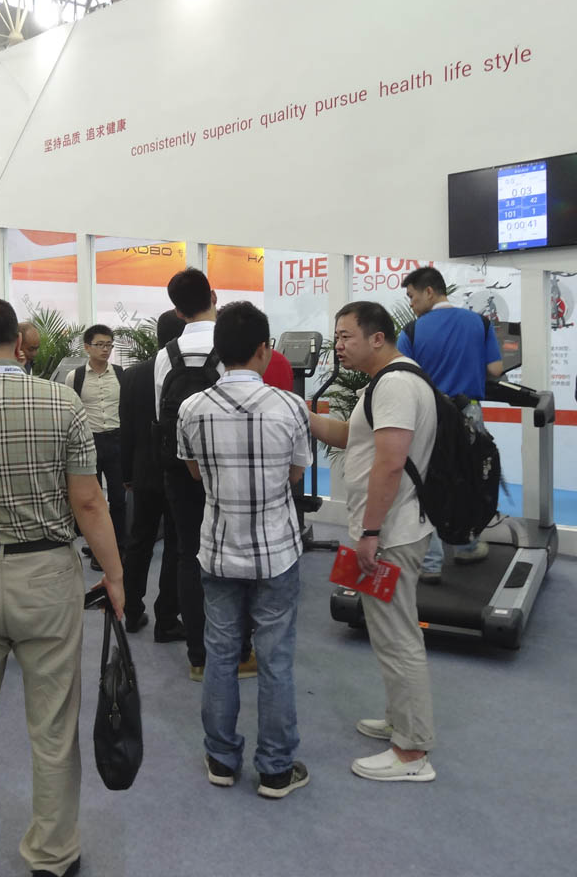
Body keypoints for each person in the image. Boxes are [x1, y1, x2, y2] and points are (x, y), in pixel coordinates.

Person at [0, 293, 124, 877]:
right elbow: (89, 501)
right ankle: (52, 855)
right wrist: (114, 575)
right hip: (46, 576)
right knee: (53, 724)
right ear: (18, 343)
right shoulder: (62, 402)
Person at [178, 301, 310, 798]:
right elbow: (295, 475)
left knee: (220, 654)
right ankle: (275, 769)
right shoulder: (290, 407)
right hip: (276, 551)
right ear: (263, 350)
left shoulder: (192, 408)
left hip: (217, 549)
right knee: (276, 660)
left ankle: (221, 759)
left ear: (218, 351)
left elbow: (194, 473)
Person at [308, 301, 438, 783]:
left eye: (347, 336)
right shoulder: (384, 383)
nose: (338, 345)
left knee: (398, 637)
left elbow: (390, 462)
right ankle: (399, 719)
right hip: (388, 528)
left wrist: (370, 532)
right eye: (337, 336)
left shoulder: (396, 385)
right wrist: (305, 416)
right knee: (388, 633)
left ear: (377, 338)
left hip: (390, 533)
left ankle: (412, 752)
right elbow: (353, 438)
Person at [155, 268, 254, 682]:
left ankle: (198, 656)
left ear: (177, 311)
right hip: (226, 466)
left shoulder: (165, 355)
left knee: (188, 554)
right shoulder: (230, 345)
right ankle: (239, 651)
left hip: (178, 467)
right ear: (214, 296)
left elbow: (161, 416)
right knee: (234, 553)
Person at [399, 266, 503, 582]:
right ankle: (466, 545)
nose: (411, 304)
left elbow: (401, 376)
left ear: (429, 291)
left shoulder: (411, 331)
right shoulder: (480, 323)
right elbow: (496, 370)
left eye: (412, 296)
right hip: (468, 411)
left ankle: (429, 563)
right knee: (468, 477)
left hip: (427, 413)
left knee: (426, 483)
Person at [118, 309, 185, 640]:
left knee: (139, 542)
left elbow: (126, 430)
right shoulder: (187, 371)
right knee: (176, 545)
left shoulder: (132, 375)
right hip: (178, 472)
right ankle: (167, 619)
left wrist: (127, 474)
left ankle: (131, 611)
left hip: (143, 473)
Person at [65, 324, 126, 569]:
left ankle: (118, 546)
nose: (105, 349)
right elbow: (70, 411)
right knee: (92, 500)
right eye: (100, 344)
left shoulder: (121, 374)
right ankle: (96, 547)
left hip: (117, 441)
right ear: (87, 347)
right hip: (89, 442)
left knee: (119, 499)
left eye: (109, 345)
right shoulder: (75, 377)